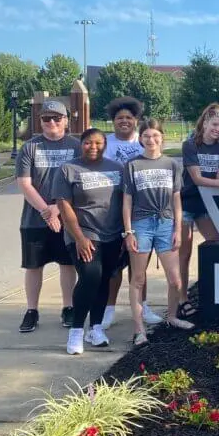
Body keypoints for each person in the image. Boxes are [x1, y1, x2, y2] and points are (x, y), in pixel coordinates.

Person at [121, 119, 192, 346]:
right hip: (141, 224)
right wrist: (128, 232)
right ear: (140, 138)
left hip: (166, 223)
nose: (151, 140)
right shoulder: (132, 165)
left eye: (155, 136)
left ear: (162, 137)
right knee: (138, 279)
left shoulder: (171, 164)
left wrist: (177, 230)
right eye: (146, 136)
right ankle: (139, 329)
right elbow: (127, 201)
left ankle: (171, 317)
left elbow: (177, 200)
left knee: (175, 280)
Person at [53, 129, 124, 355]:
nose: (93, 147)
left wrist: (126, 232)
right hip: (83, 232)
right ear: (80, 144)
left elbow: (125, 202)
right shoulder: (68, 169)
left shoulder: (117, 168)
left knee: (104, 278)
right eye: (87, 143)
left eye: (98, 143)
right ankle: (76, 331)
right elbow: (65, 207)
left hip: (112, 234)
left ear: (105, 145)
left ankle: (96, 328)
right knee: (90, 276)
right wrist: (80, 238)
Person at [16, 100, 79, 333]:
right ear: (40, 121)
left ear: (66, 120)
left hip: (67, 217)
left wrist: (57, 209)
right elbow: (24, 183)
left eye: (57, 118)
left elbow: (79, 182)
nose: (51, 122)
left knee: (67, 263)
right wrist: (46, 210)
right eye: (46, 118)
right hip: (34, 219)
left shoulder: (76, 146)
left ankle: (68, 307)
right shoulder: (30, 147)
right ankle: (31, 310)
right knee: (33, 266)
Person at [100, 97, 163, 331]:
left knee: (139, 266)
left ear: (136, 120)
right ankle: (108, 310)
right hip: (110, 210)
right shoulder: (105, 143)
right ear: (113, 121)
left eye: (128, 117)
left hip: (141, 211)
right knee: (114, 267)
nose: (124, 121)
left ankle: (142, 307)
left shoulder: (144, 142)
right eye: (119, 118)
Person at [179, 103, 219, 317]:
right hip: (187, 202)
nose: (218, 129)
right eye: (215, 124)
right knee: (183, 254)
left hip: (208, 204)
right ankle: (182, 298)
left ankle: (214, 292)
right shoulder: (190, 145)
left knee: (216, 243)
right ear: (205, 123)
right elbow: (196, 178)